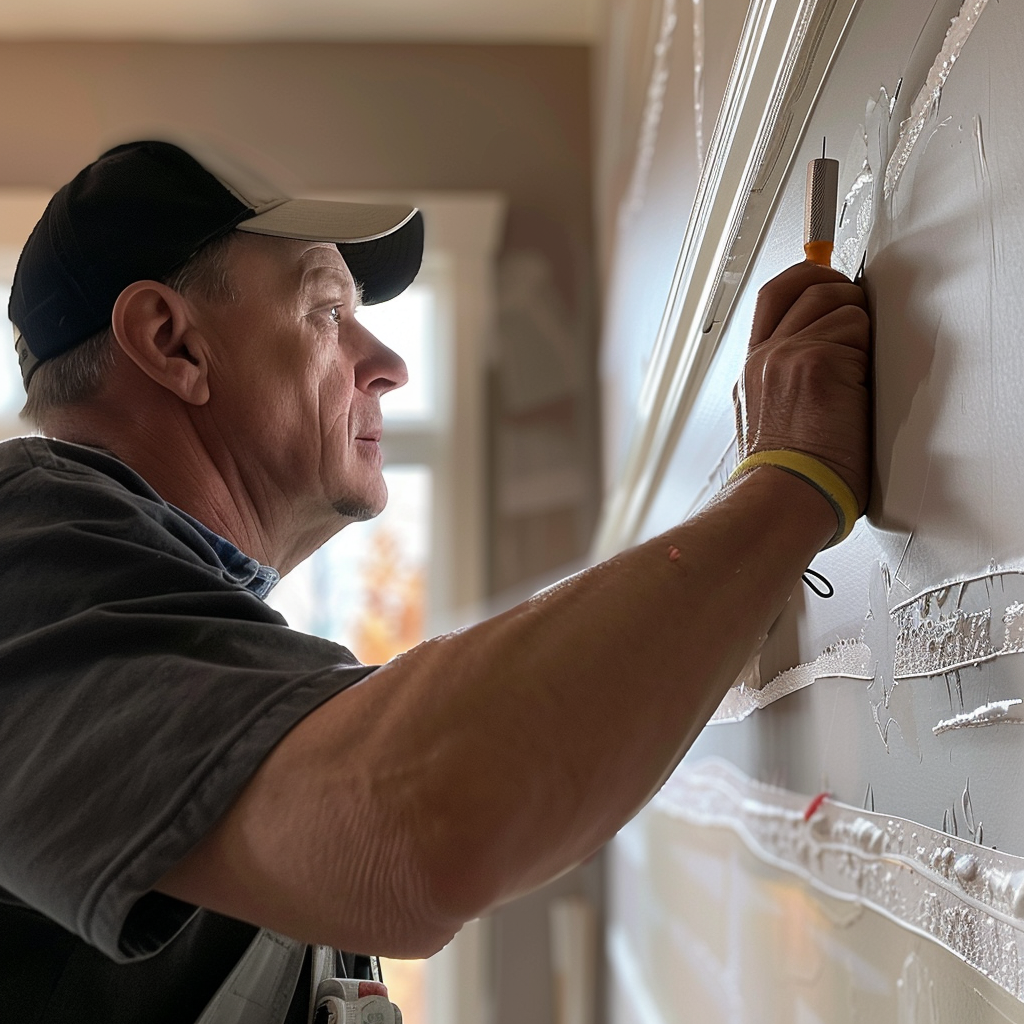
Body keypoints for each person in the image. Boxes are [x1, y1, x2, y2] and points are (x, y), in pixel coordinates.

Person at [0, 139, 870, 1023]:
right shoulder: (18, 554)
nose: (387, 362)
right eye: (329, 309)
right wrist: (794, 485)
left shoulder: (180, 648)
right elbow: (411, 835)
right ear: (171, 341)